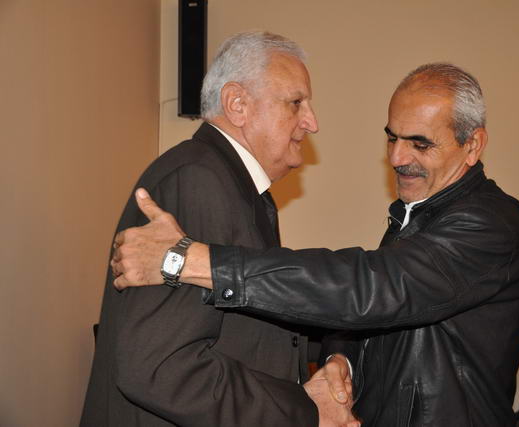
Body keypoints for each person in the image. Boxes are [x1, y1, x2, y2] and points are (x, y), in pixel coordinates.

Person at [112, 63, 519, 426]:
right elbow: (376, 317)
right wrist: (340, 361)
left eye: (419, 143)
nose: (396, 157)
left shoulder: (491, 224)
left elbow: (375, 287)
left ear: (472, 145)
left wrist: (195, 261)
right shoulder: (420, 212)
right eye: (392, 138)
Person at [82, 31, 359, 427]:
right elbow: (161, 368)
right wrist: (303, 409)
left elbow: (251, 329)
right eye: (296, 102)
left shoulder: (234, 186)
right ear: (237, 104)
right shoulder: (198, 181)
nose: (311, 122)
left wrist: (335, 352)